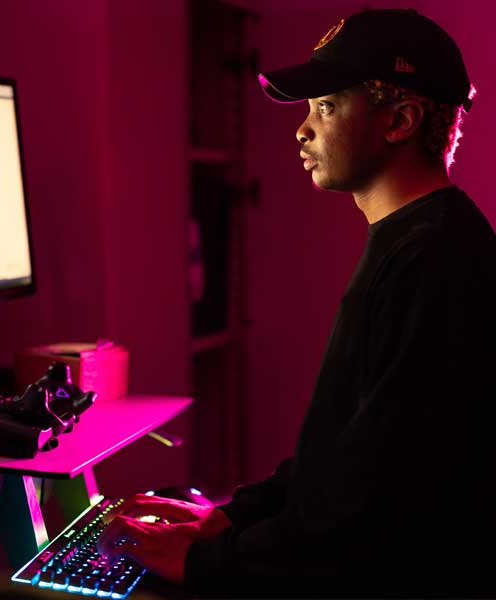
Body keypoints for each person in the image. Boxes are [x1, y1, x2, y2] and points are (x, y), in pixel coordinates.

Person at [98, 8, 496, 597]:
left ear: (401, 120)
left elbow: (377, 508)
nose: (301, 130)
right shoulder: (419, 239)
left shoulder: (435, 262)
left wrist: (207, 564)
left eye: (326, 107)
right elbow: (350, 453)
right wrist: (234, 516)